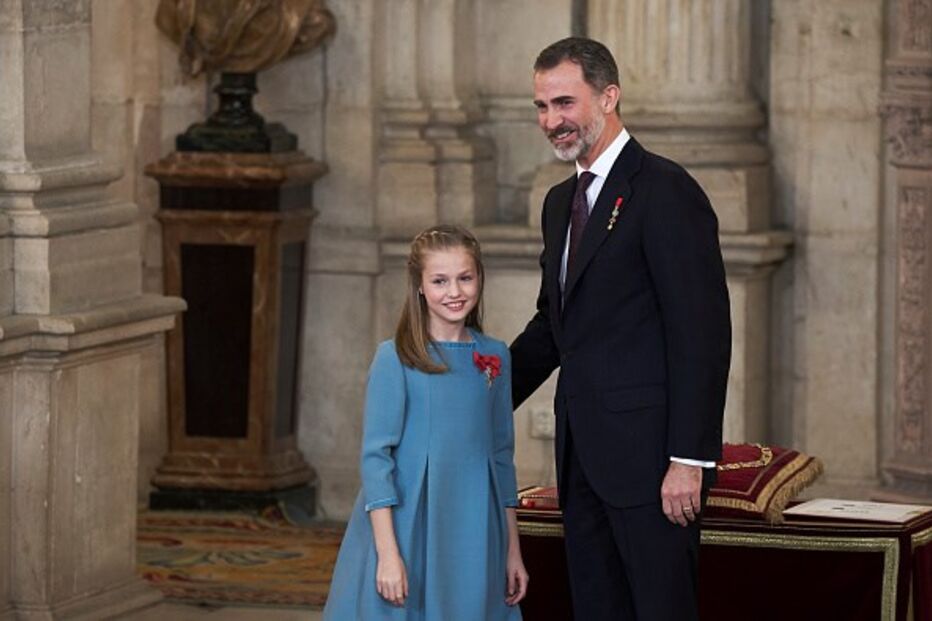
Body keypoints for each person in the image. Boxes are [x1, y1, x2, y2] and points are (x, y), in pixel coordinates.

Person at [510, 37, 731, 620]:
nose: (551, 121)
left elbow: (701, 334)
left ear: (608, 97)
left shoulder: (665, 190)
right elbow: (553, 327)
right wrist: (478, 385)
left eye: (564, 103)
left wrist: (689, 459)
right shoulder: (560, 203)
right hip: (582, 458)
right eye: (541, 107)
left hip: (655, 467)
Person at [324, 225, 528, 621]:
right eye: (440, 281)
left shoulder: (495, 357)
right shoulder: (395, 358)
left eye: (465, 278)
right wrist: (387, 555)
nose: (455, 292)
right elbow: (375, 460)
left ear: (479, 278)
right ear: (419, 286)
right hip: (408, 527)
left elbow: (502, 457)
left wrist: (512, 551)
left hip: (474, 529)